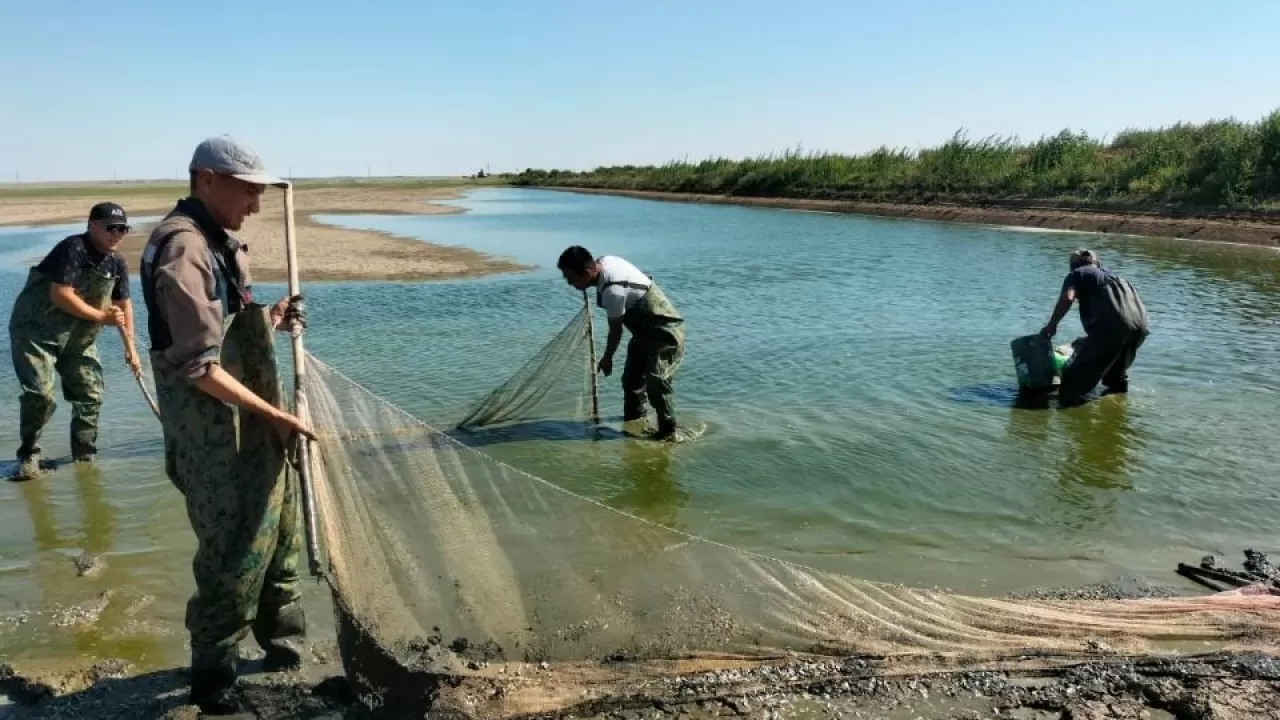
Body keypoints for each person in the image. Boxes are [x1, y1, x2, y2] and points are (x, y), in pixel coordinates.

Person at [138, 135, 315, 714]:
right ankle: (213, 680)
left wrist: (270, 318)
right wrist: (276, 414)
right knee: (234, 554)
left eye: (263, 193)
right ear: (207, 180)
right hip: (215, 436)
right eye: (248, 192)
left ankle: (286, 654)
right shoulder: (181, 248)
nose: (258, 206)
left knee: (280, 540)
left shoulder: (218, 240)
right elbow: (197, 365)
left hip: (253, 428)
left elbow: (228, 328)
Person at [8, 202, 142, 480]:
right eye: (111, 228)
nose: (117, 234)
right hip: (36, 332)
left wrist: (131, 348)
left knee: (90, 394)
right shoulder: (74, 248)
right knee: (40, 395)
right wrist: (101, 317)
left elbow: (124, 306)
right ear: (92, 225)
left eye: (123, 229)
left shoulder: (116, 261)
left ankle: (84, 456)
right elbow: (61, 294)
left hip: (78, 338)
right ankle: (29, 455)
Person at [557, 246, 686, 441]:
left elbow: (616, 330)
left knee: (656, 381)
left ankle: (669, 433)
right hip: (643, 332)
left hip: (664, 331)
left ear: (587, 272)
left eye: (571, 278)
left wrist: (607, 358)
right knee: (631, 382)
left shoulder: (613, 291)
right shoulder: (605, 262)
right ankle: (634, 424)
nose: (569, 283)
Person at [1040, 249, 1150, 407]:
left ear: (1073, 266)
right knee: (1115, 378)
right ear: (1097, 263)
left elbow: (1068, 297)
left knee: (1073, 380)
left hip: (1113, 328)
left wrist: (1052, 325)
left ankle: (1070, 419)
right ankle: (1116, 411)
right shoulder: (1116, 277)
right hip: (1140, 326)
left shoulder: (1077, 273)